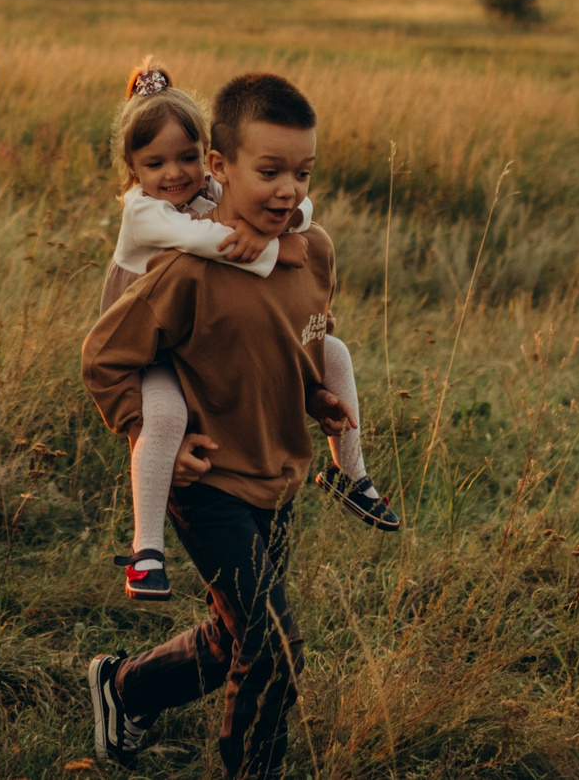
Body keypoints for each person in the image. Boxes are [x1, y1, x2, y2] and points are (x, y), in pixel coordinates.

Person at [81, 73, 352, 779]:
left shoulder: (312, 250)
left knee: (238, 631)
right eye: (269, 170)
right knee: (274, 644)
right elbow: (105, 357)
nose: (288, 188)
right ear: (221, 165)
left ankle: (125, 687)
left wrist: (317, 393)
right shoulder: (187, 268)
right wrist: (150, 429)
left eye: (303, 171)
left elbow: (302, 333)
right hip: (208, 483)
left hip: (278, 470)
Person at [100, 62, 396, 602]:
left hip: (275, 470)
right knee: (163, 414)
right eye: (155, 163)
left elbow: (286, 326)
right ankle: (146, 550)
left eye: (186, 158)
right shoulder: (152, 219)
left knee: (335, 351)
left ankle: (348, 471)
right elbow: (218, 246)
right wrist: (276, 246)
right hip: (152, 353)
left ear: (208, 161)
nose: (175, 174)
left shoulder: (234, 203)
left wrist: (312, 393)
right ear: (133, 169)